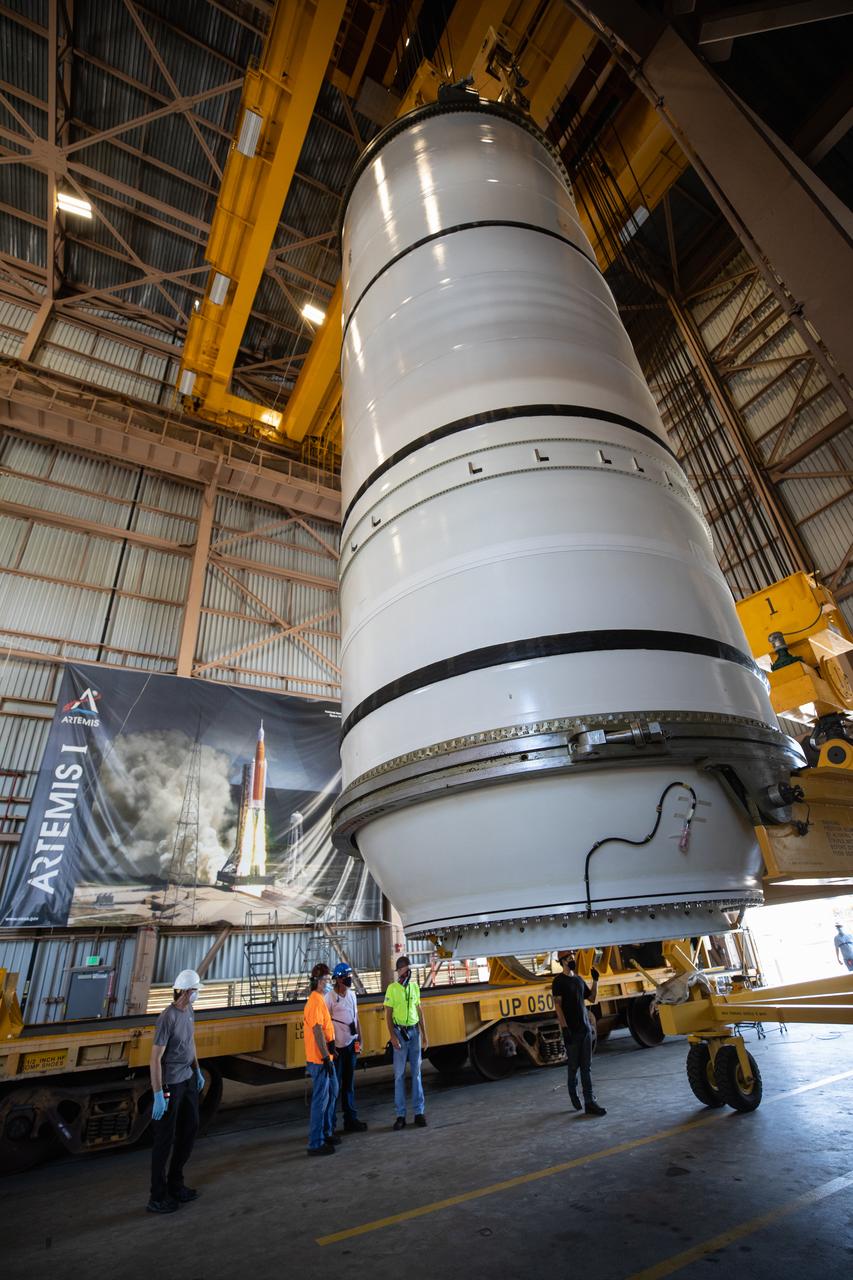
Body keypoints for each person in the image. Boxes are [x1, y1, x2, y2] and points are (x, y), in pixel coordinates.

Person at [147, 968, 206, 1214]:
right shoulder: (167, 1017)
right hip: (171, 1083)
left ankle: (176, 1183)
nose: (196, 995)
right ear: (185, 991)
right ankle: (157, 1196)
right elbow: (155, 1058)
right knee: (164, 1140)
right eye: (195, 991)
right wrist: (158, 1093)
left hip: (188, 1079)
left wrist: (198, 1070)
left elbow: (191, 1042)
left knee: (189, 1130)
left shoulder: (189, 1012)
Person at [552, 953, 606, 1117]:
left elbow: (592, 998)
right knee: (573, 1067)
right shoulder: (558, 982)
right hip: (572, 1032)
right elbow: (558, 1006)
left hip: (585, 1030)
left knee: (586, 1068)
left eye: (573, 957)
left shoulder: (579, 980)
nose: (573, 960)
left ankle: (589, 1102)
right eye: (569, 958)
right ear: (562, 962)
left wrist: (595, 981)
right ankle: (574, 1095)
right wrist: (565, 1028)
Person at [384, 954, 428, 1130]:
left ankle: (419, 1113)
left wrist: (425, 1034)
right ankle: (400, 1115)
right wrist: (392, 1036)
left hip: (414, 1033)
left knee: (416, 1074)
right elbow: (388, 1014)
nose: (408, 971)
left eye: (409, 968)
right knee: (399, 1076)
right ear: (399, 971)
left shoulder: (415, 987)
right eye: (405, 969)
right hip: (399, 1034)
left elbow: (419, 1011)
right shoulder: (392, 989)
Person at [326, 962, 368, 1134]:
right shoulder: (329, 998)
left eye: (349, 976)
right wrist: (330, 1048)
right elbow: (325, 1025)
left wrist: (360, 1039)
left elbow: (356, 1019)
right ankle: (331, 1125)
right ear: (338, 979)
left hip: (351, 1046)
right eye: (346, 976)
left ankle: (350, 1120)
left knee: (349, 1085)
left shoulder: (351, 996)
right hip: (336, 1050)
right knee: (334, 1088)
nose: (349, 979)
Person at [303, 962, 340, 1155]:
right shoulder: (315, 1001)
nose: (328, 983)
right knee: (321, 1101)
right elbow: (317, 1030)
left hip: (327, 1056)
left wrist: (332, 1047)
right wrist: (326, 1057)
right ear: (317, 981)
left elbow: (324, 1029)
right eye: (326, 980)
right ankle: (315, 1144)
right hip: (319, 1060)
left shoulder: (320, 999)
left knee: (332, 1092)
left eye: (328, 979)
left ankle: (326, 1133)